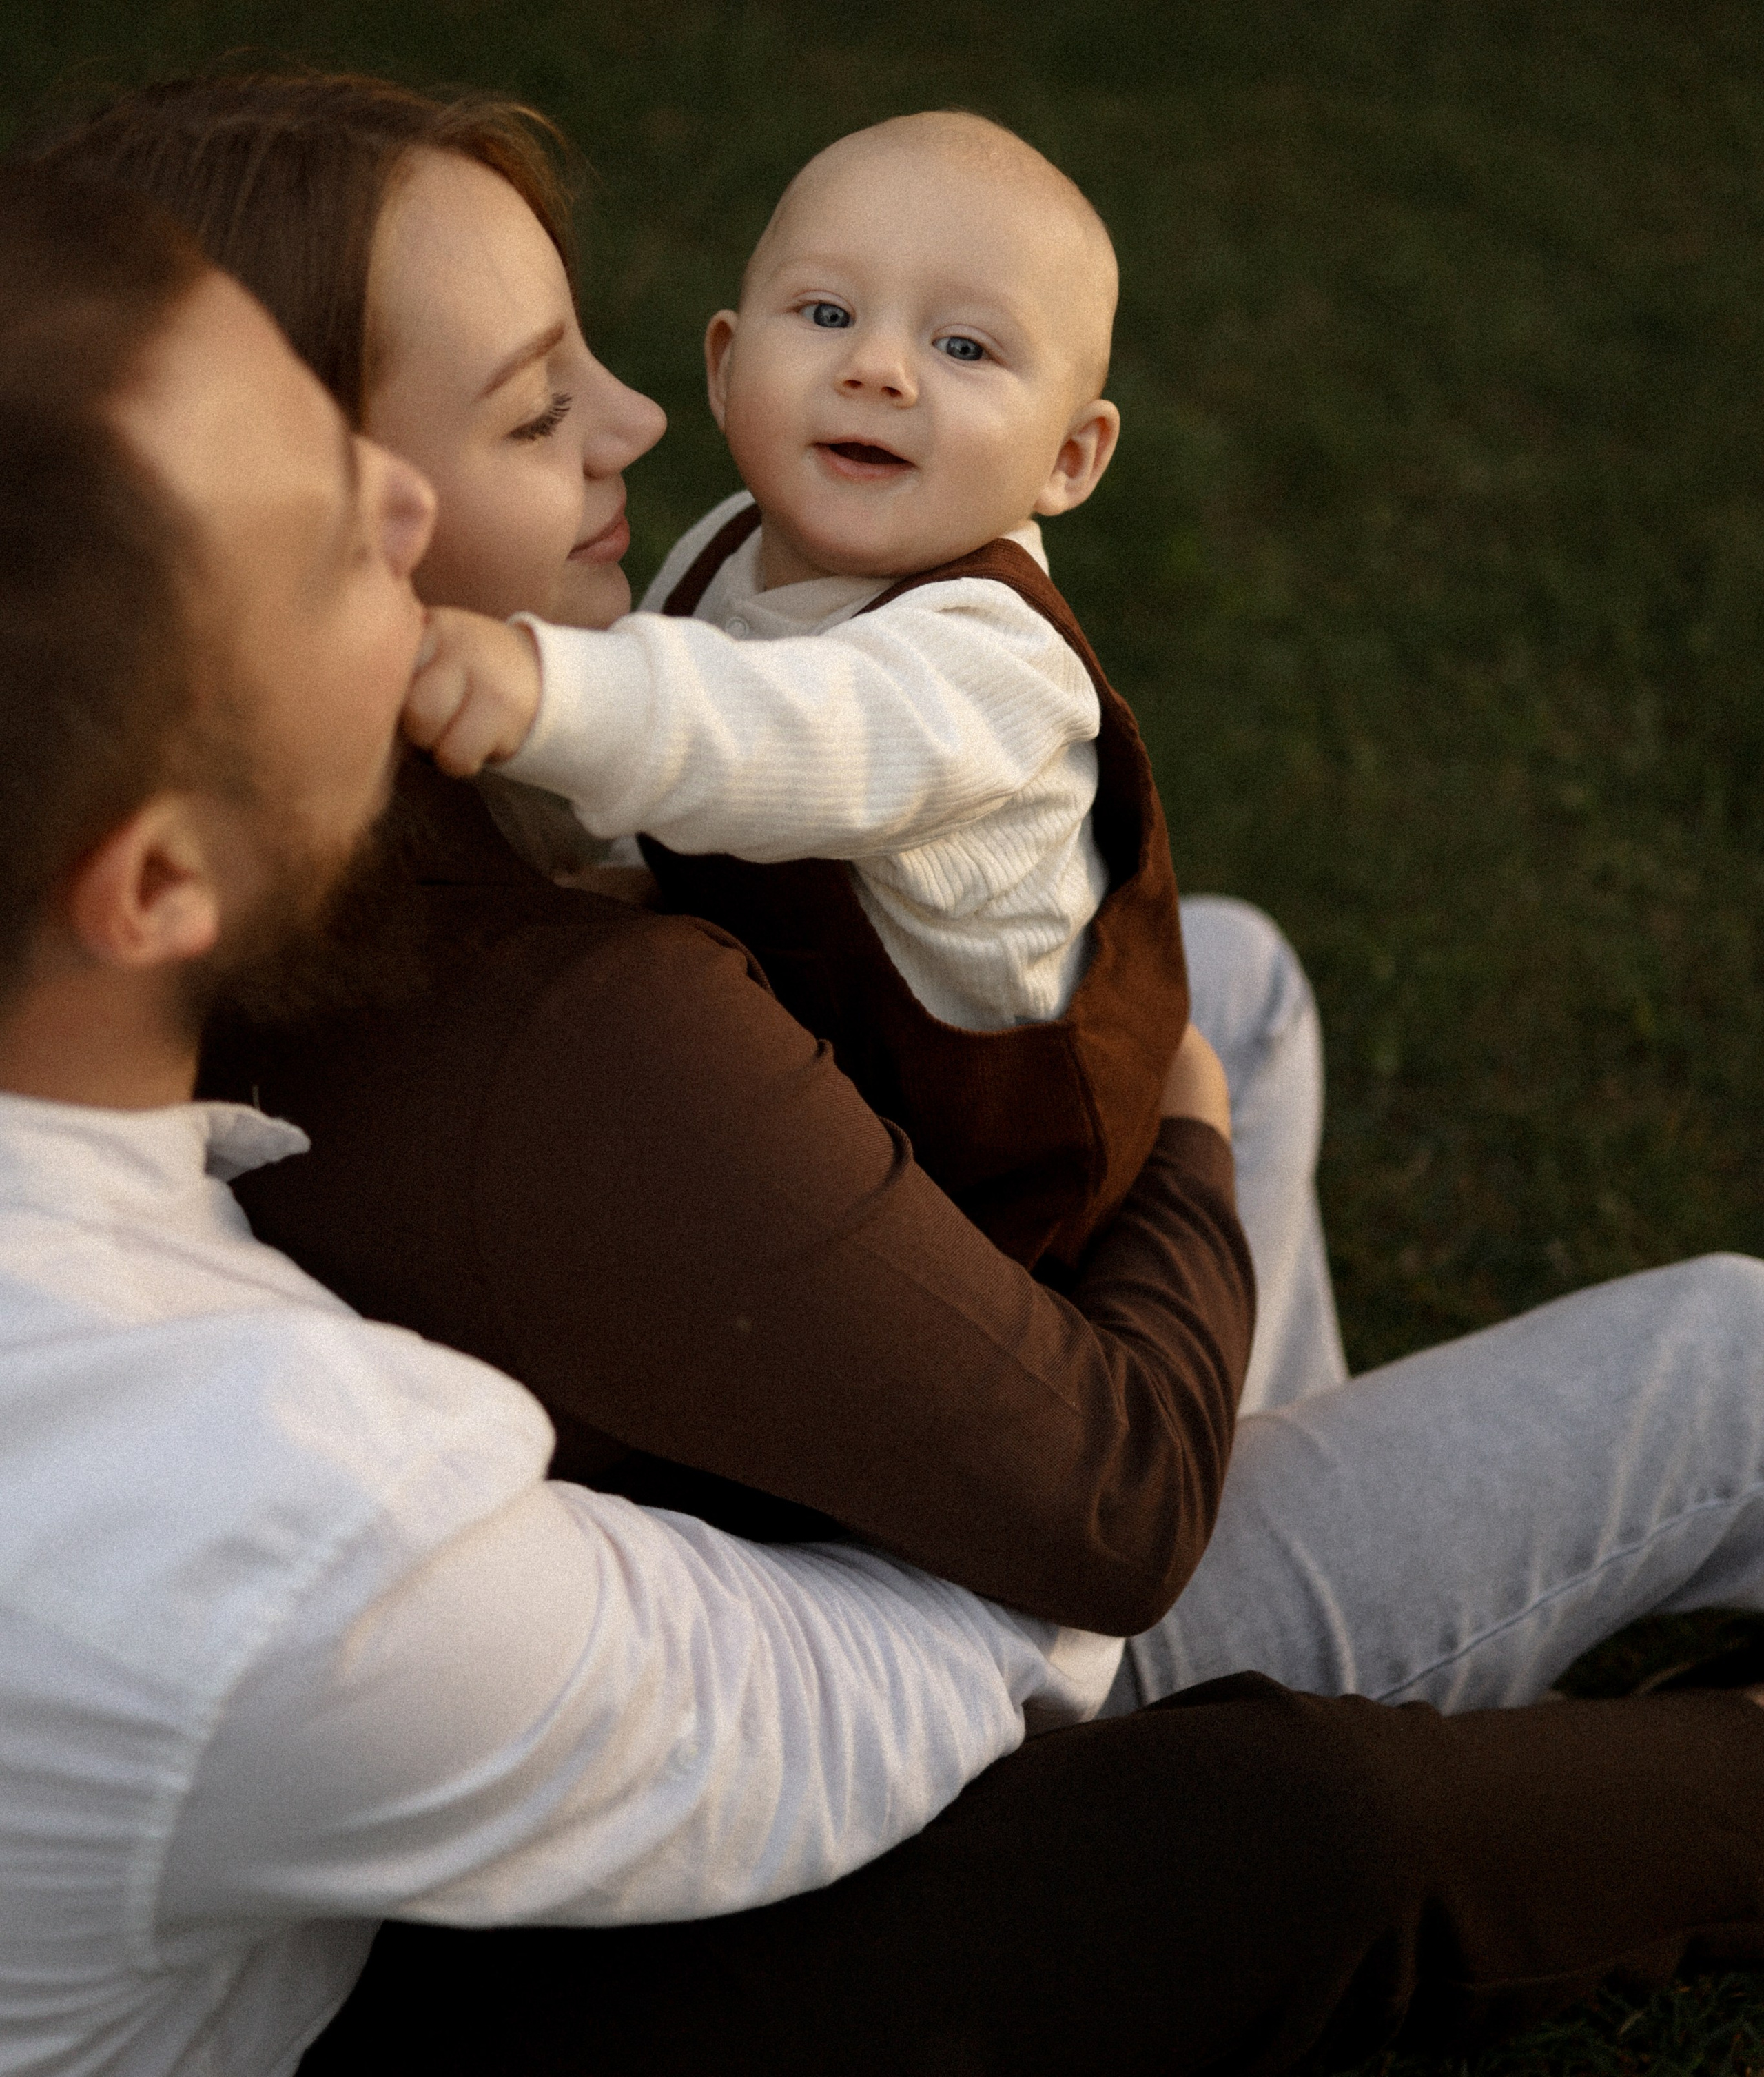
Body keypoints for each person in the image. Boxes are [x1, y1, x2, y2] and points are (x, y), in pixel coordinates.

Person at [12, 148, 1764, 2077]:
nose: (637, 418)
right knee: (1728, 1358)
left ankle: (1310, 1486)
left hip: (817, 1460)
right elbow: (1076, 1543)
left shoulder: (246, 994)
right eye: (352, 515)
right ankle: (1331, 1644)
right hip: (978, 1605)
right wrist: (1177, 1178)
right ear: (158, 873)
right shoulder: (300, 1484)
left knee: (1234, 973)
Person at [404, 110, 1184, 1269]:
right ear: (726, 370)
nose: (876, 368)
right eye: (826, 315)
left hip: (994, 1178)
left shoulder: (995, 668)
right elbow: (680, 751)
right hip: (815, 1081)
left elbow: (778, 737)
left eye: (965, 348)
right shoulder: (733, 544)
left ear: (1069, 459)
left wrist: (536, 688)